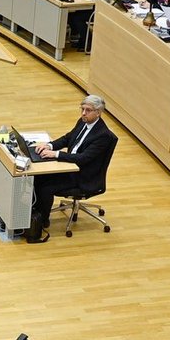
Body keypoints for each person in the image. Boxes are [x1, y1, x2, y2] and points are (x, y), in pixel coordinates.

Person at [27, 95, 117, 243]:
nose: (83, 113)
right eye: (82, 109)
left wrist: (56, 154)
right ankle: (35, 214)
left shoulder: (103, 135)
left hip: (83, 176)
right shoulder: (83, 122)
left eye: (88, 110)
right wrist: (49, 145)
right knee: (37, 177)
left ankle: (42, 221)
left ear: (98, 112)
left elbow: (84, 158)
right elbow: (68, 138)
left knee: (46, 187)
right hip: (70, 167)